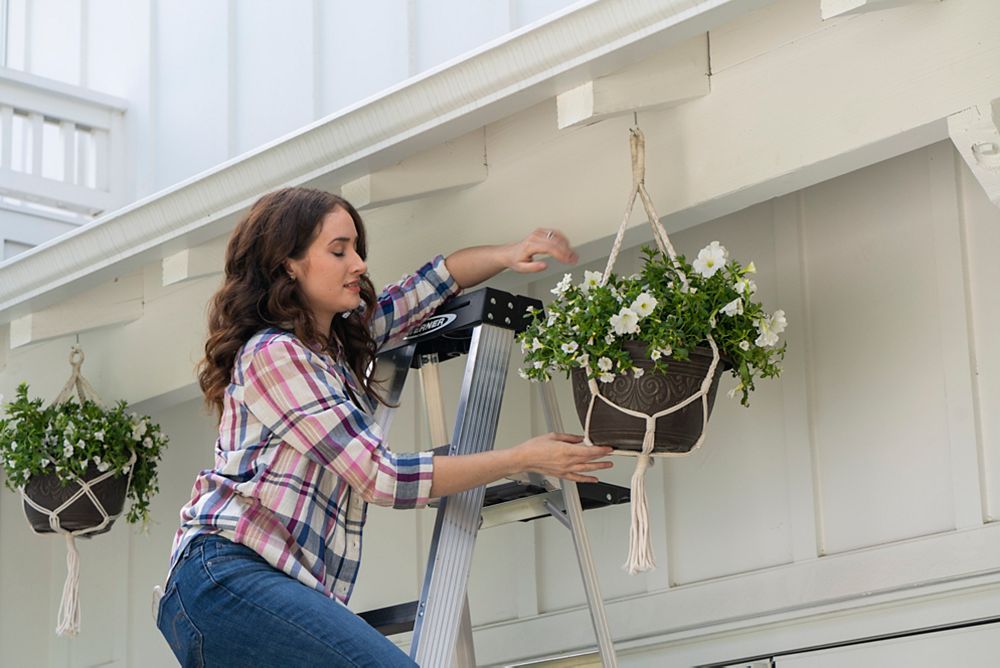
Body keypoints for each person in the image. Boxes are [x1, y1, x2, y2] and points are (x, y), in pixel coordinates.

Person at [155, 187, 613, 667]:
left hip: (255, 588)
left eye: (357, 249)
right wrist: (523, 457)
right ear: (288, 263)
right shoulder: (276, 354)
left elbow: (434, 282)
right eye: (339, 250)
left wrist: (508, 254)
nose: (358, 263)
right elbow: (381, 477)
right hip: (228, 578)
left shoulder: (335, 346)